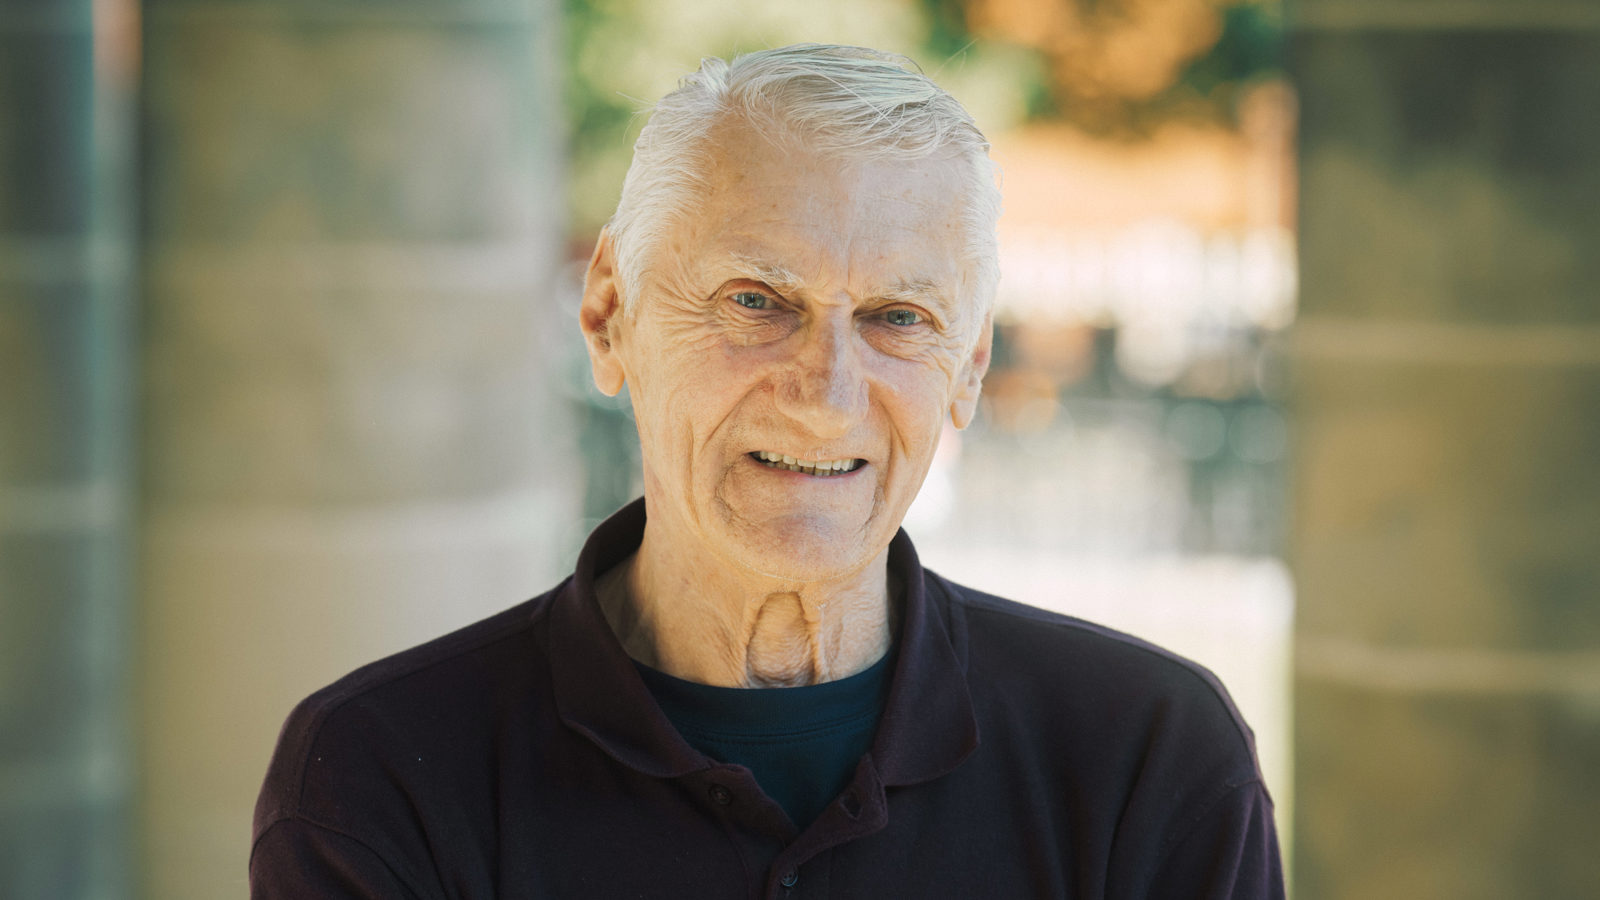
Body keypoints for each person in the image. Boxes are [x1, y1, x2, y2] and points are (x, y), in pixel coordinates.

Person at [250, 44, 1284, 899]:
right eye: (755, 300)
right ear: (611, 315)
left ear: (967, 373)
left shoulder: (1149, 760)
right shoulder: (379, 772)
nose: (827, 392)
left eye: (897, 318)